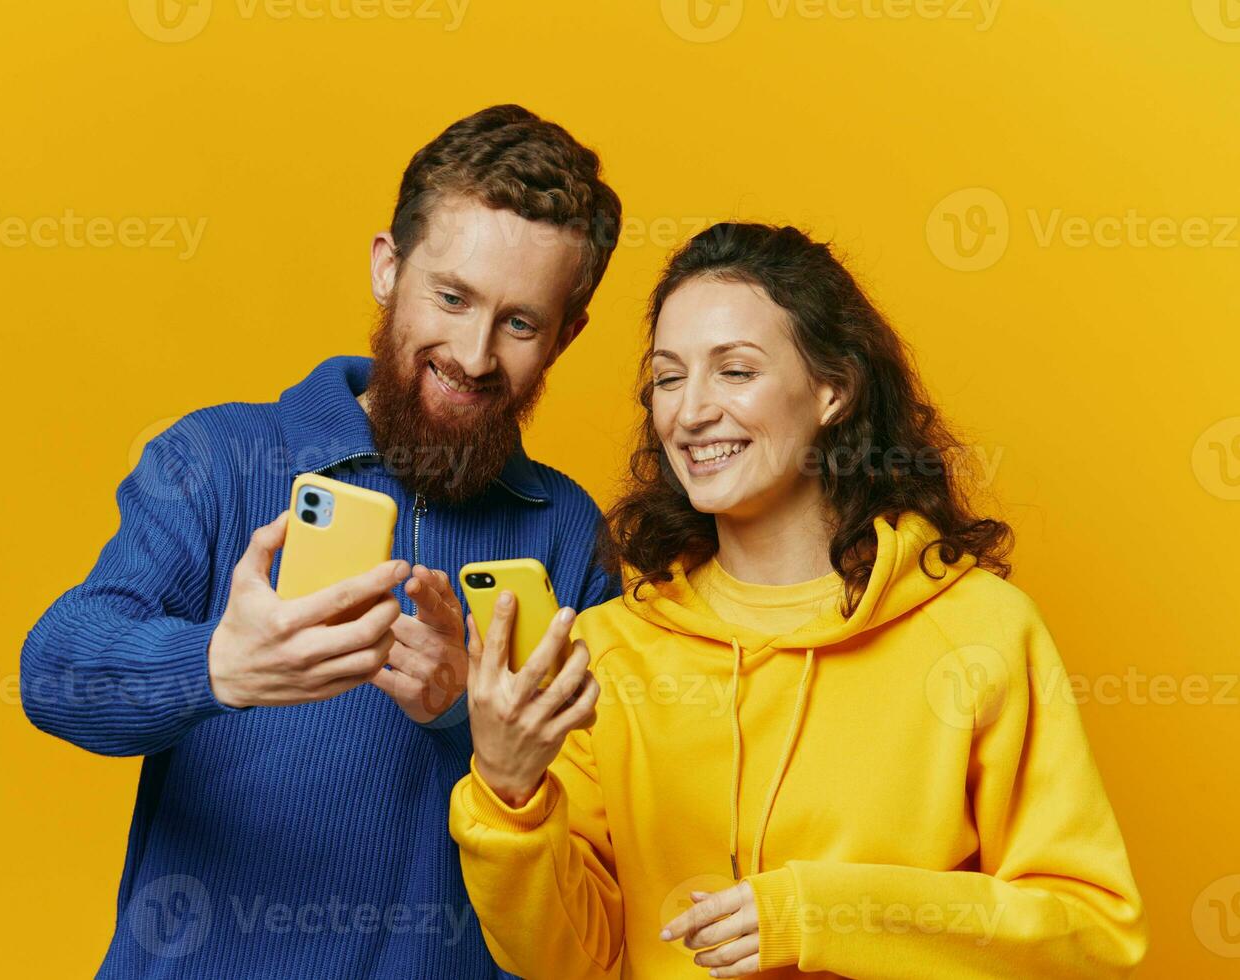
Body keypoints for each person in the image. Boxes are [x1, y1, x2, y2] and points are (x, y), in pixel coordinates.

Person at [450, 223, 1149, 978]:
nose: (690, 413)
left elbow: (1092, 938)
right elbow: (568, 961)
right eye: (670, 377)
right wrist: (510, 791)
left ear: (832, 390)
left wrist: (822, 916)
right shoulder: (609, 650)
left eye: (736, 371)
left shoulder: (977, 631)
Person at [20, 104, 623, 978]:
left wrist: (468, 714)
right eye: (450, 297)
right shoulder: (217, 459)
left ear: (567, 335)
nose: (475, 352)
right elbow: (55, 673)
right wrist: (217, 668)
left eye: (521, 323)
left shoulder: (568, 536)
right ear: (388, 268)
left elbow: (593, 846)